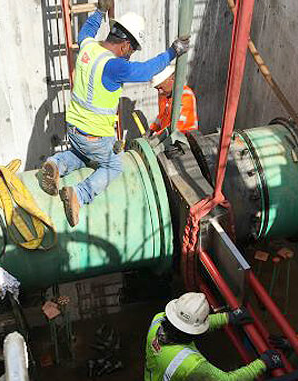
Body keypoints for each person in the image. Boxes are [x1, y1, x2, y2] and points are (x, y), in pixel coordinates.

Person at [40, 0, 191, 227]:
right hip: (94, 135)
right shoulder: (114, 66)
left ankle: (56, 164)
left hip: (73, 129)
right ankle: (79, 195)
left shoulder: (88, 47)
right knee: (113, 165)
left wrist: (100, 11)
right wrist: (172, 52)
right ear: (125, 45)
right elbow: (147, 70)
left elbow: (87, 30)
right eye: (131, 51)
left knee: (83, 154)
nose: (129, 56)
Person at [145, 292, 284, 381]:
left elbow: (188, 325)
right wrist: (263, 363)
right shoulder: (191, 364)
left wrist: (227, 317)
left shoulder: (158, 320)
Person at [148, 64, 199, 136]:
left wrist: (157, 137)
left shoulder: (186, 95)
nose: (160, 92)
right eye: (157, 89)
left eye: (161, 87)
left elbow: (177, 126)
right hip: (166, 136)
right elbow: (161, 116)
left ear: (172, 79)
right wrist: (152, 129)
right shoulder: (163, 94)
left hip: (184, 138)